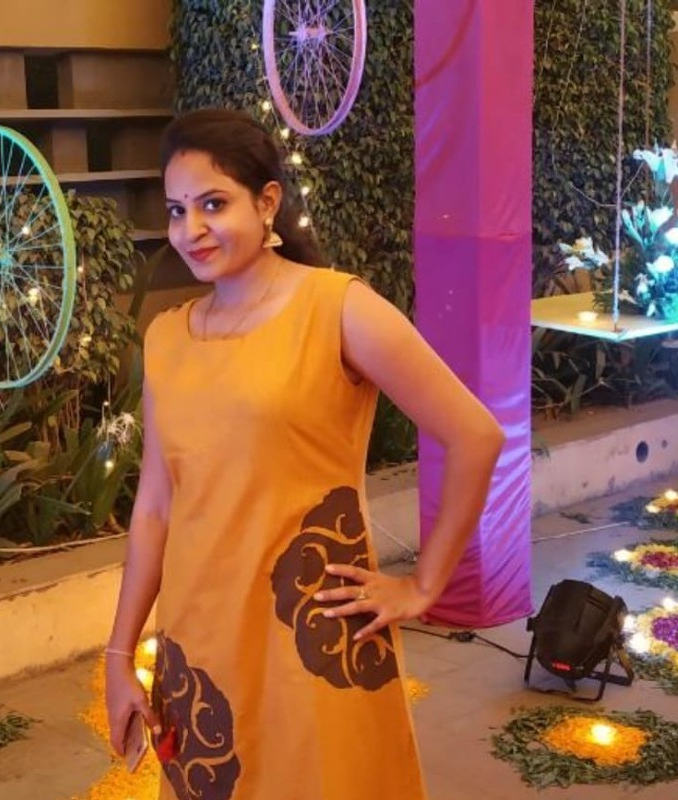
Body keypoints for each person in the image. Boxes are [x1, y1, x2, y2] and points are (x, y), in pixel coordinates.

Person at [104, 107, 505, 800]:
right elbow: (155, 509)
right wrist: (118, 653)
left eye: (213, 204)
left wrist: (422, 586)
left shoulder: (336, 308)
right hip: (201, 644)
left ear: (268, 203)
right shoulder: (166, 339)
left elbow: (476, 435)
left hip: (312, 639)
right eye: (176, 210)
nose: (191, 229)